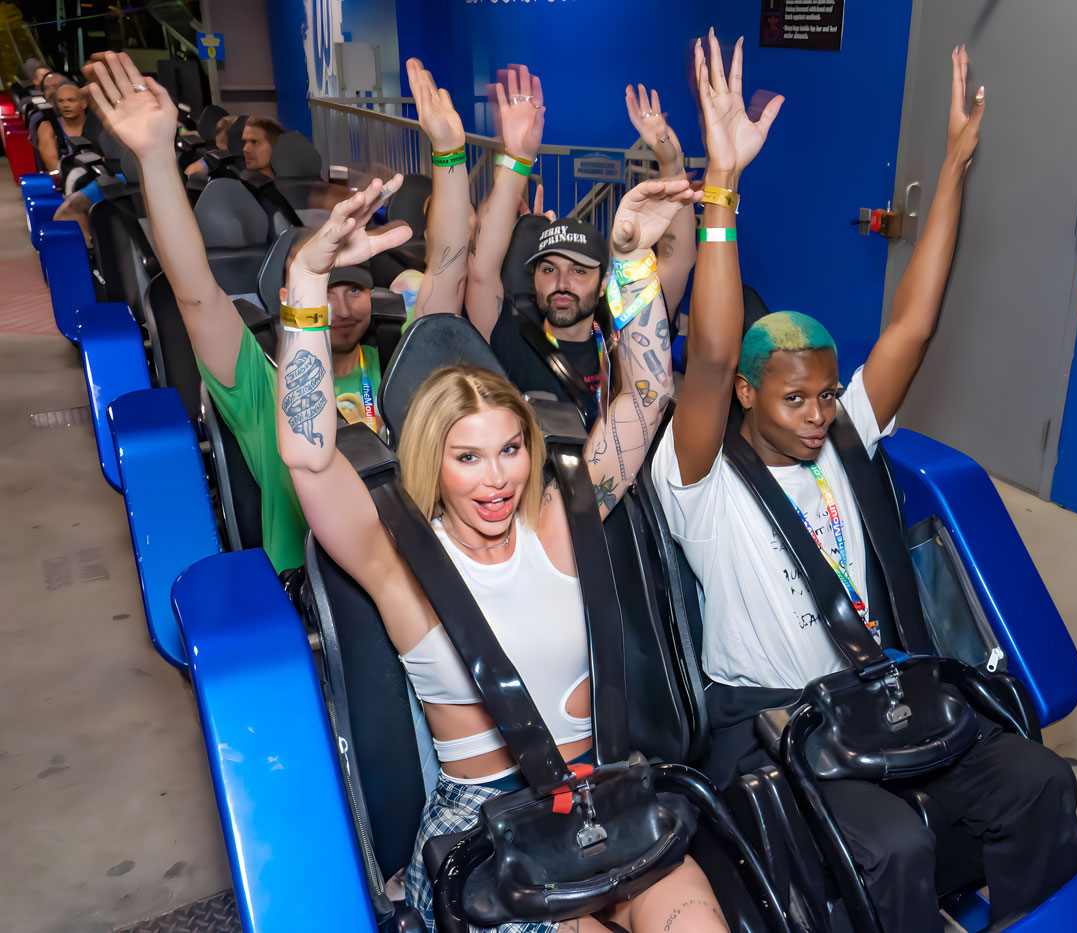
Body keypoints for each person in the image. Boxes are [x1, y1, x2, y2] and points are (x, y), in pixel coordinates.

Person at [652, 35, 1077, 931]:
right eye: (794, 396)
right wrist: (722, 189)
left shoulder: (843, 437)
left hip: (882, 700)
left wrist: (956, 165)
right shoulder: (699, 476)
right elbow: (713, 352)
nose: (817, 413)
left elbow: (914, 325)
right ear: (745, 393)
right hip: (776, 724)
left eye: (824, 392)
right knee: (894, 845)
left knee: (1040, 779)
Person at [274, 166, 716, 932]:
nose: (497, 478)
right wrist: (307, 285)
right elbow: (310, 458)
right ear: (430, 460)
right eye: (468, 456)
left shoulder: (562, 518)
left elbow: (646, 394)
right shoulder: (399, 564)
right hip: (486, 835)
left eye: (511, 449)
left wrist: (636, 263)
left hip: (600, 799)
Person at [83, 51, 408, 574]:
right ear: (291, 301)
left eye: (355, 289)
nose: (343, 307)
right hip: (319, 606)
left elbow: (455, 287)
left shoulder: (396, 367)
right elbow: (195, 294)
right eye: (323, 290)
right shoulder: (265, 386)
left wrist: (453, 157)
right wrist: (157, 158)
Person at [410, 61, 695, 428]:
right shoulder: (511, 335)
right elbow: (479, 272)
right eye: (549, 268)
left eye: (578, 270)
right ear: (533, 279)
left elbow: (679, 261)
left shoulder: (621, 330)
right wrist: (518, 158)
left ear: (603, 279)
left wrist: (670, 160)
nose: (563, 282)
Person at [35, 78, 103, 175]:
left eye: (71, 100)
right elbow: (51, 163)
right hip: (65, 182)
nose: (65, 105)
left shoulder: (98, 124)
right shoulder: (48, 127)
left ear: (84, 103)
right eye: (61, 101)